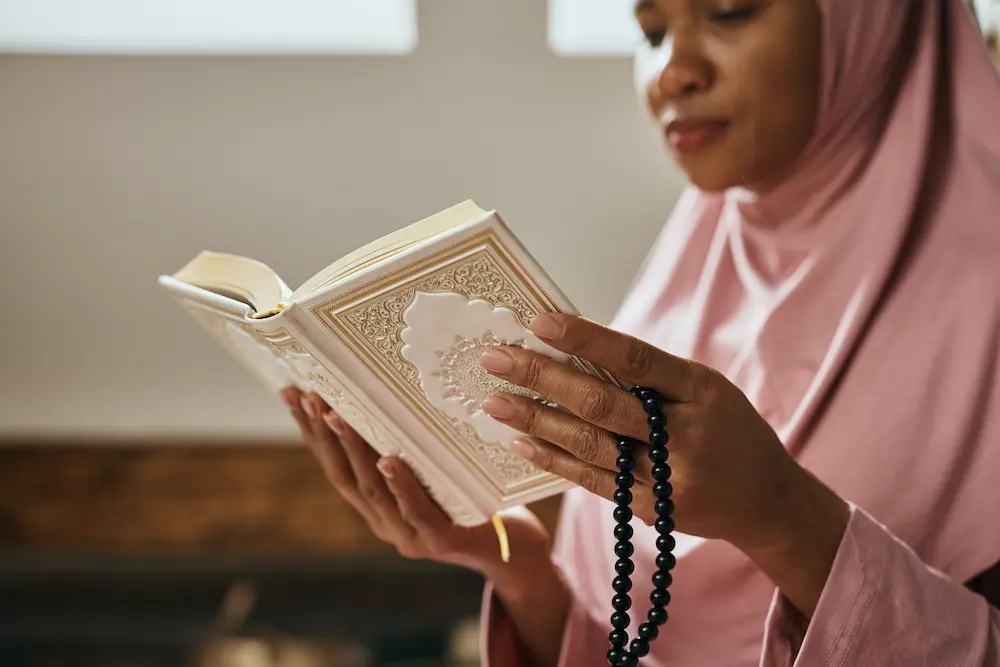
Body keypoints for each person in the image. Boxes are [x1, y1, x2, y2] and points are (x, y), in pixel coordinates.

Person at [282, 0, 1000, 664]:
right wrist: (524, 573)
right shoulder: (682, 284)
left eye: (730, 11)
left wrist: (783, 516)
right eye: (652, 31)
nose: (674, 74)